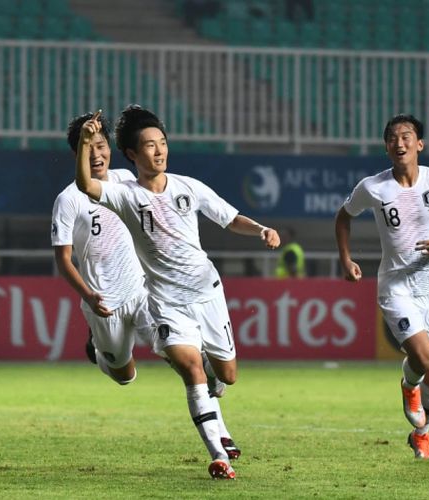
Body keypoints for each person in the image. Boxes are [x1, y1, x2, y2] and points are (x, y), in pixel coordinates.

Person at [75, 105, 280, 480]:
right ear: (133, 155)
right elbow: (87, 186)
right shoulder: (124, 195)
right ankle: (219, 455)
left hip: (208, 294)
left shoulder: (188, 187)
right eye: (150, 146)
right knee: (189, 369)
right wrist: (86, 146)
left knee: (227, 376)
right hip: (167, 304)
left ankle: (213, 373)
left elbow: (230, 218)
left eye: (163, 143)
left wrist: (262, 229)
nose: (160, 151)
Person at [334, 114, 429, 460]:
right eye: (393, 138)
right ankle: (409, 385)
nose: (400, 143)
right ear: (386, 147)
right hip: (396, 286)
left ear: (419, 144)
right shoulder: (374, 187)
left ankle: (422, 434)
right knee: (422, 358)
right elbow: (344, 216)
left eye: (407, 136)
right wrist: (346, 259)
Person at [52, 112, 153, 385]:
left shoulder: (123, 178)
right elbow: (63, 260)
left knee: (172, 346)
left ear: (110, 148)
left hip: (140, 288)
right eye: (88, 147)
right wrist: (88, 296)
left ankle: (206, 375)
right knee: (125, 375)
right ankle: (101, 353)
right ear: (77, 154)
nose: (97, 154)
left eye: (101, 146)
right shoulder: (68, 199)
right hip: (104, 302)